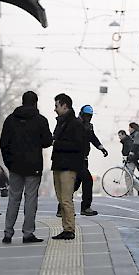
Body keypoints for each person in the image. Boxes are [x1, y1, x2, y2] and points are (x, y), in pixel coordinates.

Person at [0, 91, 52, 244]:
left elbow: (4, 143)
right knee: (30, 199)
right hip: (33, 166)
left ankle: (8, 233)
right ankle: (28, 233)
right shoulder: (41, 120)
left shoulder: (10, 120)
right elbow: (47, 141)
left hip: (15, 166)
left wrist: (9, 163)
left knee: (13, 198)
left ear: (22, 102)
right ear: (35, 103)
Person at [51, 93, 84, 240]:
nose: (55, 109)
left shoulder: (75, 123)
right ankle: (65, 228)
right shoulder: (61, 122)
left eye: (57, 106)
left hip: (68, 166)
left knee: (66, 199)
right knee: (61, 199)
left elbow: (78, 145)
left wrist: (56, 143)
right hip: (59, 164)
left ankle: (69, 229)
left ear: (65, 106)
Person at [72, 105, 108, 216]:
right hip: (76, 159)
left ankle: (62, 207)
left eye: (90, 116)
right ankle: (85, 207)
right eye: (87, 115)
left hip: (84, 159)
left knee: (75, 184)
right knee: (88, 180)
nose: (88, 118)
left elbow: (93, 138)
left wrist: (101, 148)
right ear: (82, 114)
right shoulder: (75, 124)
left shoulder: (89, 126)